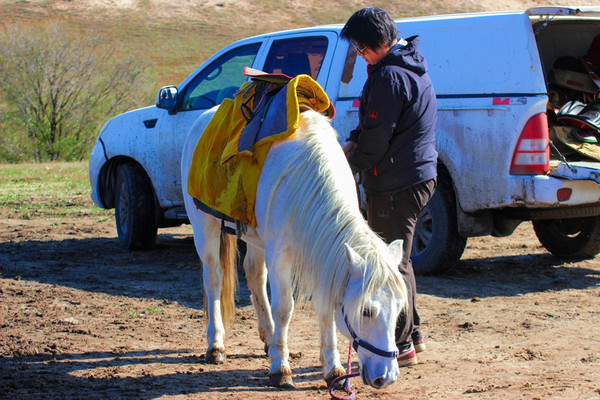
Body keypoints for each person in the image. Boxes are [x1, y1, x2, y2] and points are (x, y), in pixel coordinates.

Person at [340, 7, 438, 367]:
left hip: (397, 180)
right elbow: (374, 124)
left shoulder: (389, 76)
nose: (358, 53)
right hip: (412, 176)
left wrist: (347, 164)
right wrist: (354, 139)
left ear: (378, 42)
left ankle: (399, 343)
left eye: (361, 47)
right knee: (402, 260)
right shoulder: (402, 67)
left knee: (391, 265)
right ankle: (411, 335)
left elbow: (378, 136)